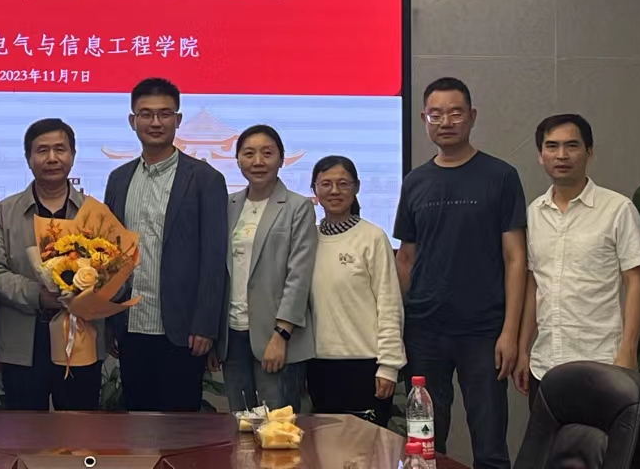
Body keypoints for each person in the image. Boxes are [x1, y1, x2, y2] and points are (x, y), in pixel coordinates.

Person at [394, 77, 527, 469]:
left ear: (472, 116)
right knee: (425, 442)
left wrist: (510, 332)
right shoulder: (415, 181)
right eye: (436, 114)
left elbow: (515, 258)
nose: (446, 122)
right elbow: (406, 259)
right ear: (424, 118)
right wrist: (401, 324)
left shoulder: (500, 176)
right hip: (425, 331)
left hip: (483, 330)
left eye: (455, 113)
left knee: (490, 443)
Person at [103, 78, 228, 412]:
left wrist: (205, 325)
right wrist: (110, 320)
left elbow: (214, 258)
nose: (155, 122)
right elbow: (110, 254)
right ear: (132, 121)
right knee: (136, 420)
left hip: (183, 330)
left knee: (180, 426)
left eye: (164, 114)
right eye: (146, 114)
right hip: (131, 324)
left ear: (178, 119)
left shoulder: (205, 179)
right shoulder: (119, 179)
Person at [514, 114, 640, 404]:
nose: (561, 155)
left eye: (572, 145)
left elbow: (635, 282)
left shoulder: (618, 209)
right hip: (545, 364)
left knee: (602, 436)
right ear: (540, 155)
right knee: (548, 436)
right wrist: (524, 350)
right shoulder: (534, 213)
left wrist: (628, 351)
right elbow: (534, 285)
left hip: (603, 362)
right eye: (552, 146)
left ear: (589, 152)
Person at [0, 118, 103, 411]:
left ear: (73, 155)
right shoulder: (4, 212)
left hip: (80, 338)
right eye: (42, 150)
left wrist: (89, 291)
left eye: (60, 149)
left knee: (80, 428)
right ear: (28, 158)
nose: (52, 158)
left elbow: (114, 270)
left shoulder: (95, 212)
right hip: (24, 340)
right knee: (24, 429)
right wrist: (38, 295)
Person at [213, 125, 316, 414]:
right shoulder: (228, 204)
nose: (258, 161)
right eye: (249, 154)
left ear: (281, 159)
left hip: (276, 335)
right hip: (233, 334)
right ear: (237, 160)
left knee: (278, 425)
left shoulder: (298, 207)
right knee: (241, 421)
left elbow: (299, 276)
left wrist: (281, 334)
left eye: (267, 153)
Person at [306, 154, 404, 427]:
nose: (334, 191)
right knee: (325, 447)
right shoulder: (307, 239)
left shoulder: (372, 237)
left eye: (343, 183)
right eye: (326, 184)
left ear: (357, 187)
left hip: (365, 364)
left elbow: (389, 303)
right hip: (318, 365)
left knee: (366, 449)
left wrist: (389, 366)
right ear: (314, 190)